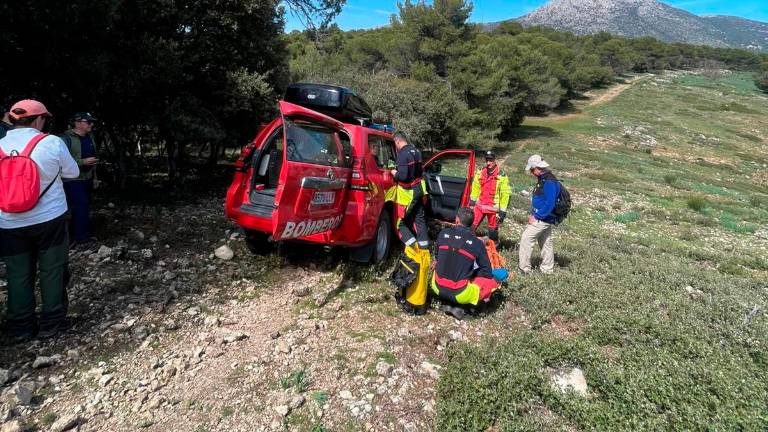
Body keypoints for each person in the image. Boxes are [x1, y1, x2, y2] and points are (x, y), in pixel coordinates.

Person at [0, 99, 79, 341]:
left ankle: (20, 326)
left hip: (9, 222)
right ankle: (51, 323)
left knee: (17, 273)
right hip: (49, 218)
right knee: (52, 269)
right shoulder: (51, 142)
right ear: (39, 119)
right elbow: (72, 172)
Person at [430, 207, 502, 319]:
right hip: (460, 293)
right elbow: (487, 272)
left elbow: (437, 257)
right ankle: (466, 306)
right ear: (472, 223)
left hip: (436, 286)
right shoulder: (477, 243)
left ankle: (447, 301)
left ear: (457, 220)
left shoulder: (443, 233)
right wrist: (472, 273)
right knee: (493, 280)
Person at [60, 112, 99, 245]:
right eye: (88, 122)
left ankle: (80, 235)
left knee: (84, 207)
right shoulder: (65, 139)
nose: (91, 124)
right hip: (72, 179)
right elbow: (61, 160)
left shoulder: (90, 137)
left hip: (87, 178)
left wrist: (94, 177)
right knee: (79, 206)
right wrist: (82, 162)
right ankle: (78, 238)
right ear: (77, 123)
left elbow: (94, 158)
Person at [518, 154, 559, 274]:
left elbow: (550, 204)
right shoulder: (544, 179)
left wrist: (536, 216)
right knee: (546, 242)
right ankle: (547, 269)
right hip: (545, 217)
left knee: (526, 238)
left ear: (537, 168)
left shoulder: (550, 182)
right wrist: (533, 213)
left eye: (531, 169)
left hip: (543, 218)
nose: (531, 172)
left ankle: (524, 269)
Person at [390, 132, 429, 248]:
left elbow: (403, 176)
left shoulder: (402, 154)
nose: (395, 146)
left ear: (397, 141)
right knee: (419, 220)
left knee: (398, 222)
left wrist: (393, 172)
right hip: (419, 190)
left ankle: (413, 249)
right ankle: (424, 250)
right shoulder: (416, 151)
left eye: (394, 143)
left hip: (409, 193)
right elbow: (419, 172)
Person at [470, 150, 511, 242]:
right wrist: (472, 202)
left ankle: (494, 248)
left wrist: (503, 211)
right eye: (487, 160)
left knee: (492, 231)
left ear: (495, 160)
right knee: (471, 226)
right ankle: (470, 244)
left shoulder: (502, 176)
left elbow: (505, 194)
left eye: (491, 160)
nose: (488, 163)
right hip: (479, 205)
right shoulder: (480, 172)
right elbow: (475, 186)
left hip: (493, 209)